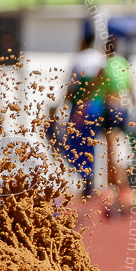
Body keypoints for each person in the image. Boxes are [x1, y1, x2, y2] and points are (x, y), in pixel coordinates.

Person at [55, 31, 107, 197]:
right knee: (91, 143)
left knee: (76, 143)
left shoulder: (78, 60)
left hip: (81, 108)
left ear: (82, 42)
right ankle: (89, 179)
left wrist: (62, 106)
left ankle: (86, 178)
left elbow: (70, 86)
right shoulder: (101, 59)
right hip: (98, 107)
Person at [97, 36, 136, 212]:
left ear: (106, 49)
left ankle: (117, 188)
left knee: (111, 151)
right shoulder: (123, 64)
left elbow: (96, 89)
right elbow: (132, 89)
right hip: (122, 109)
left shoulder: (105, 67)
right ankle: (120, 188)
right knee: (118, 149)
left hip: (110, 108)